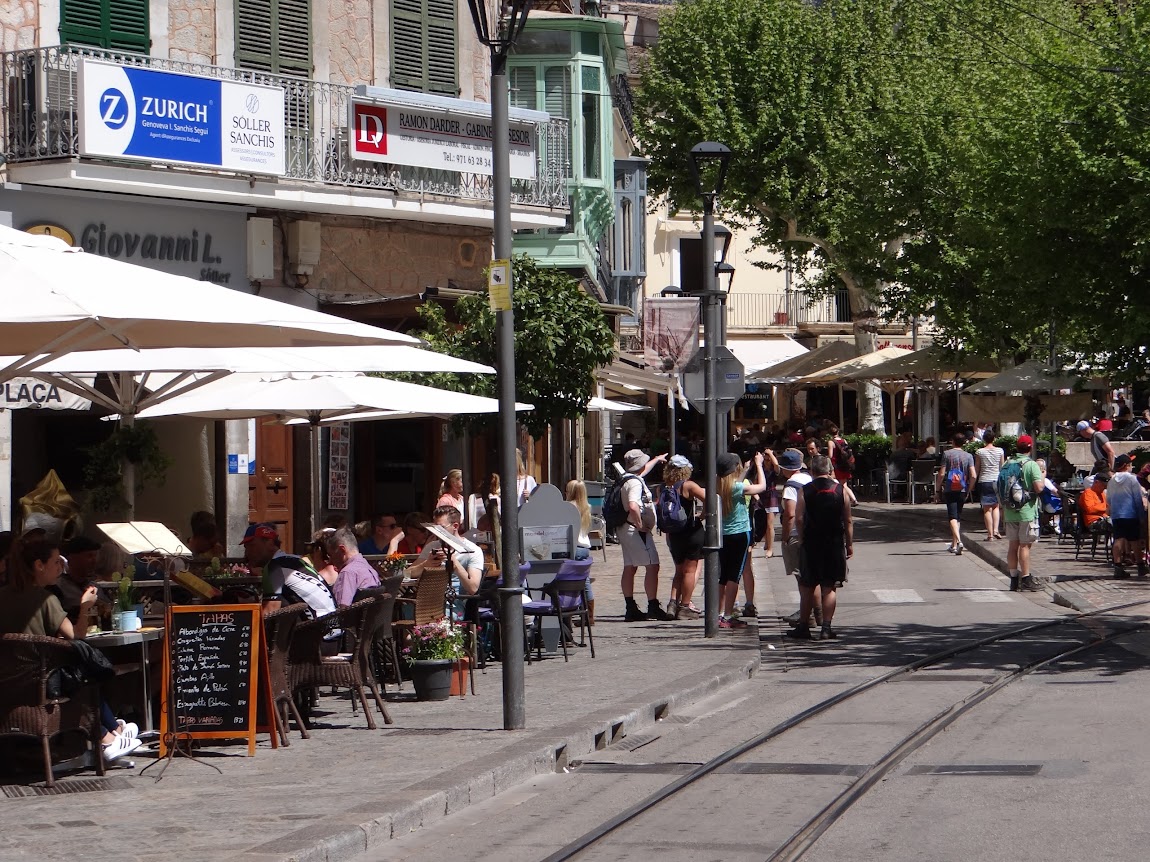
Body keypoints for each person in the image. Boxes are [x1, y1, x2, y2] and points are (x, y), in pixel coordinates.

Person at [0, 537, 141, 761]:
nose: (61, 567)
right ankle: (107, 739)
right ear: (39, 565)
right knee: (83, 673)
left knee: (78, 671)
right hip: (41, 685)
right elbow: (77, 635)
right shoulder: (44, 599)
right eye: (56, 562)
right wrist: (85, 606)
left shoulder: (4, 595)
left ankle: (114, 731)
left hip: (6, 684)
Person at [788, 455, 852, 641]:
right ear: (830, 470)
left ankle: (803, 627)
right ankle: (826, 627)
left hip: (811, 542)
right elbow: (847, 519)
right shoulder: (841, 490)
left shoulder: (805, 490)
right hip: (833, 542)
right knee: (829, 586)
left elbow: (799, 518)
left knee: (808, 585)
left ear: (812, 471)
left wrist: (801, 537)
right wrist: (849, 544)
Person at [617, 449, 673, 622]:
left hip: (624, 528)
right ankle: (652, 605)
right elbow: (633, 505)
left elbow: (643, 469)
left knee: (630, 566)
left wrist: (656, 459)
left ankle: (630, 606)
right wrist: (640, 524)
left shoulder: (626, 477)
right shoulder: (634, 483)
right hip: (635, 530)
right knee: (653, 565)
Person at [717, 450, 766, 630]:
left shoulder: (718, 486)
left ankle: (719, 613)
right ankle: (729, 615)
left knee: (722, 575)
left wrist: (746, 470)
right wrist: (759, 466)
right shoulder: (739, 488)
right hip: (740, 534)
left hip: (723, 535)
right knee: (734, 576)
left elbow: (732, 482)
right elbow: (761, 486)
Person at [409, 506, 484, 619]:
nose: (436, 532)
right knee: (403, 613)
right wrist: (425, 564)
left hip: (452, 603)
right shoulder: (432, 546)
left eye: (441, 528)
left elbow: (473, 588)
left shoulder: (472, 551)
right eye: (435, 527)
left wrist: (455, 565)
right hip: (425, 602)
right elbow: (407, 573)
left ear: (455, 526)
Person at [659, 455, 705, 620]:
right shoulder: (688, 486)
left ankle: (672, 603)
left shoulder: (663, 487)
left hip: (674, 535)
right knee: (689, 571)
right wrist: (702, 515)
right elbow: (710, 500)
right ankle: (685, 606)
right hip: (691, 532)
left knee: (679, 570)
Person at [778, 448, 816, 626]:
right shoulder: (810, 479)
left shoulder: (791, 485)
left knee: (801, 579)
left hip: (796, 535)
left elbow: (790, 514)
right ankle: (817, 614)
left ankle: (806, 616)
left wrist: (785, 537)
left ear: (786, 468)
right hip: (812, 533)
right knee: (812, 577)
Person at [1002, 435, 1046, 592]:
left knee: (1012, 546)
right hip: (1026, 511)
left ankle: (1014, 580)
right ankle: (1026, 578)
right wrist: (1043, 474)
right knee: (1025, 546)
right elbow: (1039, 488)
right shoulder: (1031, 465)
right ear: (1030, 447)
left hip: (1009, 510)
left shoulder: (1008, 463)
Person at [935, 433, 977, 555]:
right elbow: (973, 475)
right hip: (963, 489)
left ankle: (958, 541)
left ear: (953, 441)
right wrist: (969, 488)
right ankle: (953, 545)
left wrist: (937, 490)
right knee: (957, 516)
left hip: (950, 488)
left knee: (952, 517)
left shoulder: (947, 454)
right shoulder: (968, 456)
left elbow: (942, 474)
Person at [1106, 454, 1146, 578]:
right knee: (1134, 540)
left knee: (1118, 539)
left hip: (1117, 514)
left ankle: (1117, 567)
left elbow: (1109, 499)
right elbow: (1137, 498)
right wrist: (1141, 516)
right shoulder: (1132, 479)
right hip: (1130, 513)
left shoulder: (1112, 480)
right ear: (1127, 466)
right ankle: (1140, 566)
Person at [325, 528, 381, 607]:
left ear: (342, 550)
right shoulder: (369, 568)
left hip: (351, 618)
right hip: (370, 618)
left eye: (331, 555)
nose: (330, 560)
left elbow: (342, 609)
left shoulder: (347, 573)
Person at [974, 437, 1005, 540]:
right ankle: (996, 530)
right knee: (996, 506)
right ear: (994, 439)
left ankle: (990, 534)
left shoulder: (980, 452)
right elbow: (1002, 466)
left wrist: (972, 482)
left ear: (984, 440)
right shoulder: (1000, 450)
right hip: (996, 480)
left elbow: (977, 469)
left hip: (984, 480)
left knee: (987, 509)